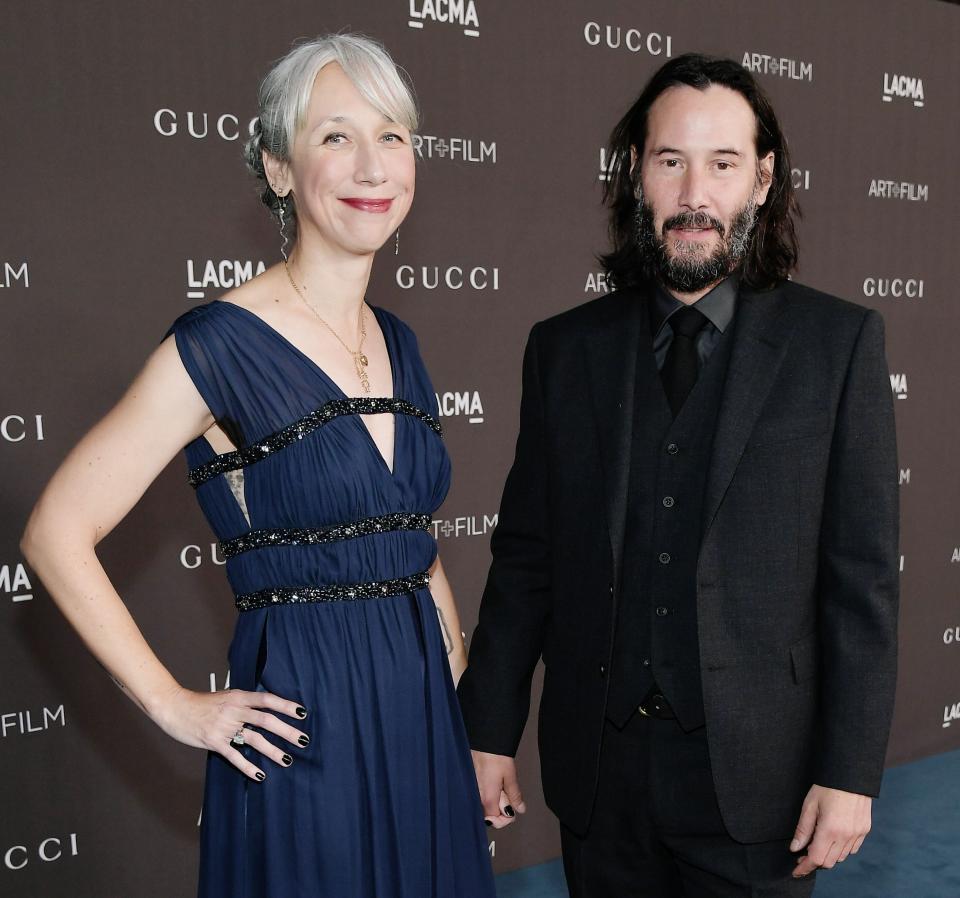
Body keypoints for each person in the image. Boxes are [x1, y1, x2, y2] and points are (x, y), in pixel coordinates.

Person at [21, 33, 495, 898]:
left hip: (421, 717)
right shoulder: (219, 345)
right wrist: (174, 704)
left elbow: (412, 549)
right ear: (279, 169)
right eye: (334, 135)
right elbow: (56, 532)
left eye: (392, 134)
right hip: (305, 726)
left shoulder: (400, 341)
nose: (371, 163)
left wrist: (465, 713)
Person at [457, 53, 899, 897]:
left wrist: (851, 772)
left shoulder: (837, 347)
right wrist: (488, 731)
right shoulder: (564, 349)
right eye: (671, 160)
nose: (696, 192)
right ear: (635, 174)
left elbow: (863, 583)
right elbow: (526, 562)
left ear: (762, 180)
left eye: (723, 163)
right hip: (599, 779)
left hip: (758, 786)